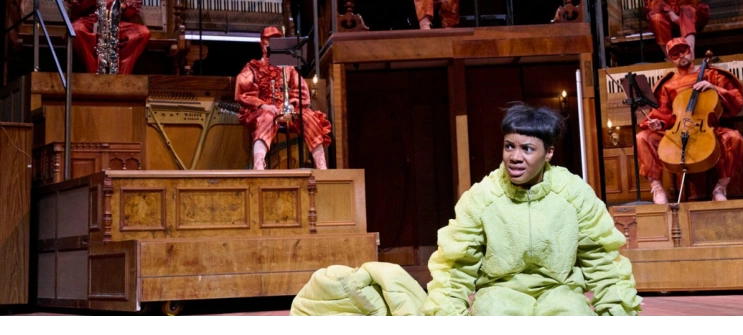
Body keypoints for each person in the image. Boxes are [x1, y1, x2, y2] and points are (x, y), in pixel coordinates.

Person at [290, 102, 642, 316]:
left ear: (548, 153)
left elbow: (602, 259)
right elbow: (455, 265)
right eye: (509, 146)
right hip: (500, 293)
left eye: (527, 149)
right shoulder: (483, 196)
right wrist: (447, 314)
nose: (515, 157)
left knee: (570, 317)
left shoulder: (574, 194)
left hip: (560, 292)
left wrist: (617, 311)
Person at [635, 38, 743, 204]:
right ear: (670, 59)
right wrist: (659, 123)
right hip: (678, 130)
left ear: (691, 52)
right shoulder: (668, 84)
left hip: (708, 128)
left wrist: (715, 88)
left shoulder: (713, 75)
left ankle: (721, 187)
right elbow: (663, 114)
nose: (681, 55)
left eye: (683, 51)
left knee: (734, 138)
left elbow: (737, 101)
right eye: (675, 54)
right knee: (642, 137)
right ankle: (657, 188)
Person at [235, 26, 332, 170]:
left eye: (276, 41)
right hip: (264, 108)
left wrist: (292, 105)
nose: (272, 44)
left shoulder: (288, 68)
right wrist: (263, 105)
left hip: (286, 108)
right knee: (266, 117)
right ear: (262, 43)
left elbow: (300, 90)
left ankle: (321, 164)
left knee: (309, 117)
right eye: (269, 40)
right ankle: (259, 164)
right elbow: (244, 93)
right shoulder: (253, 67)